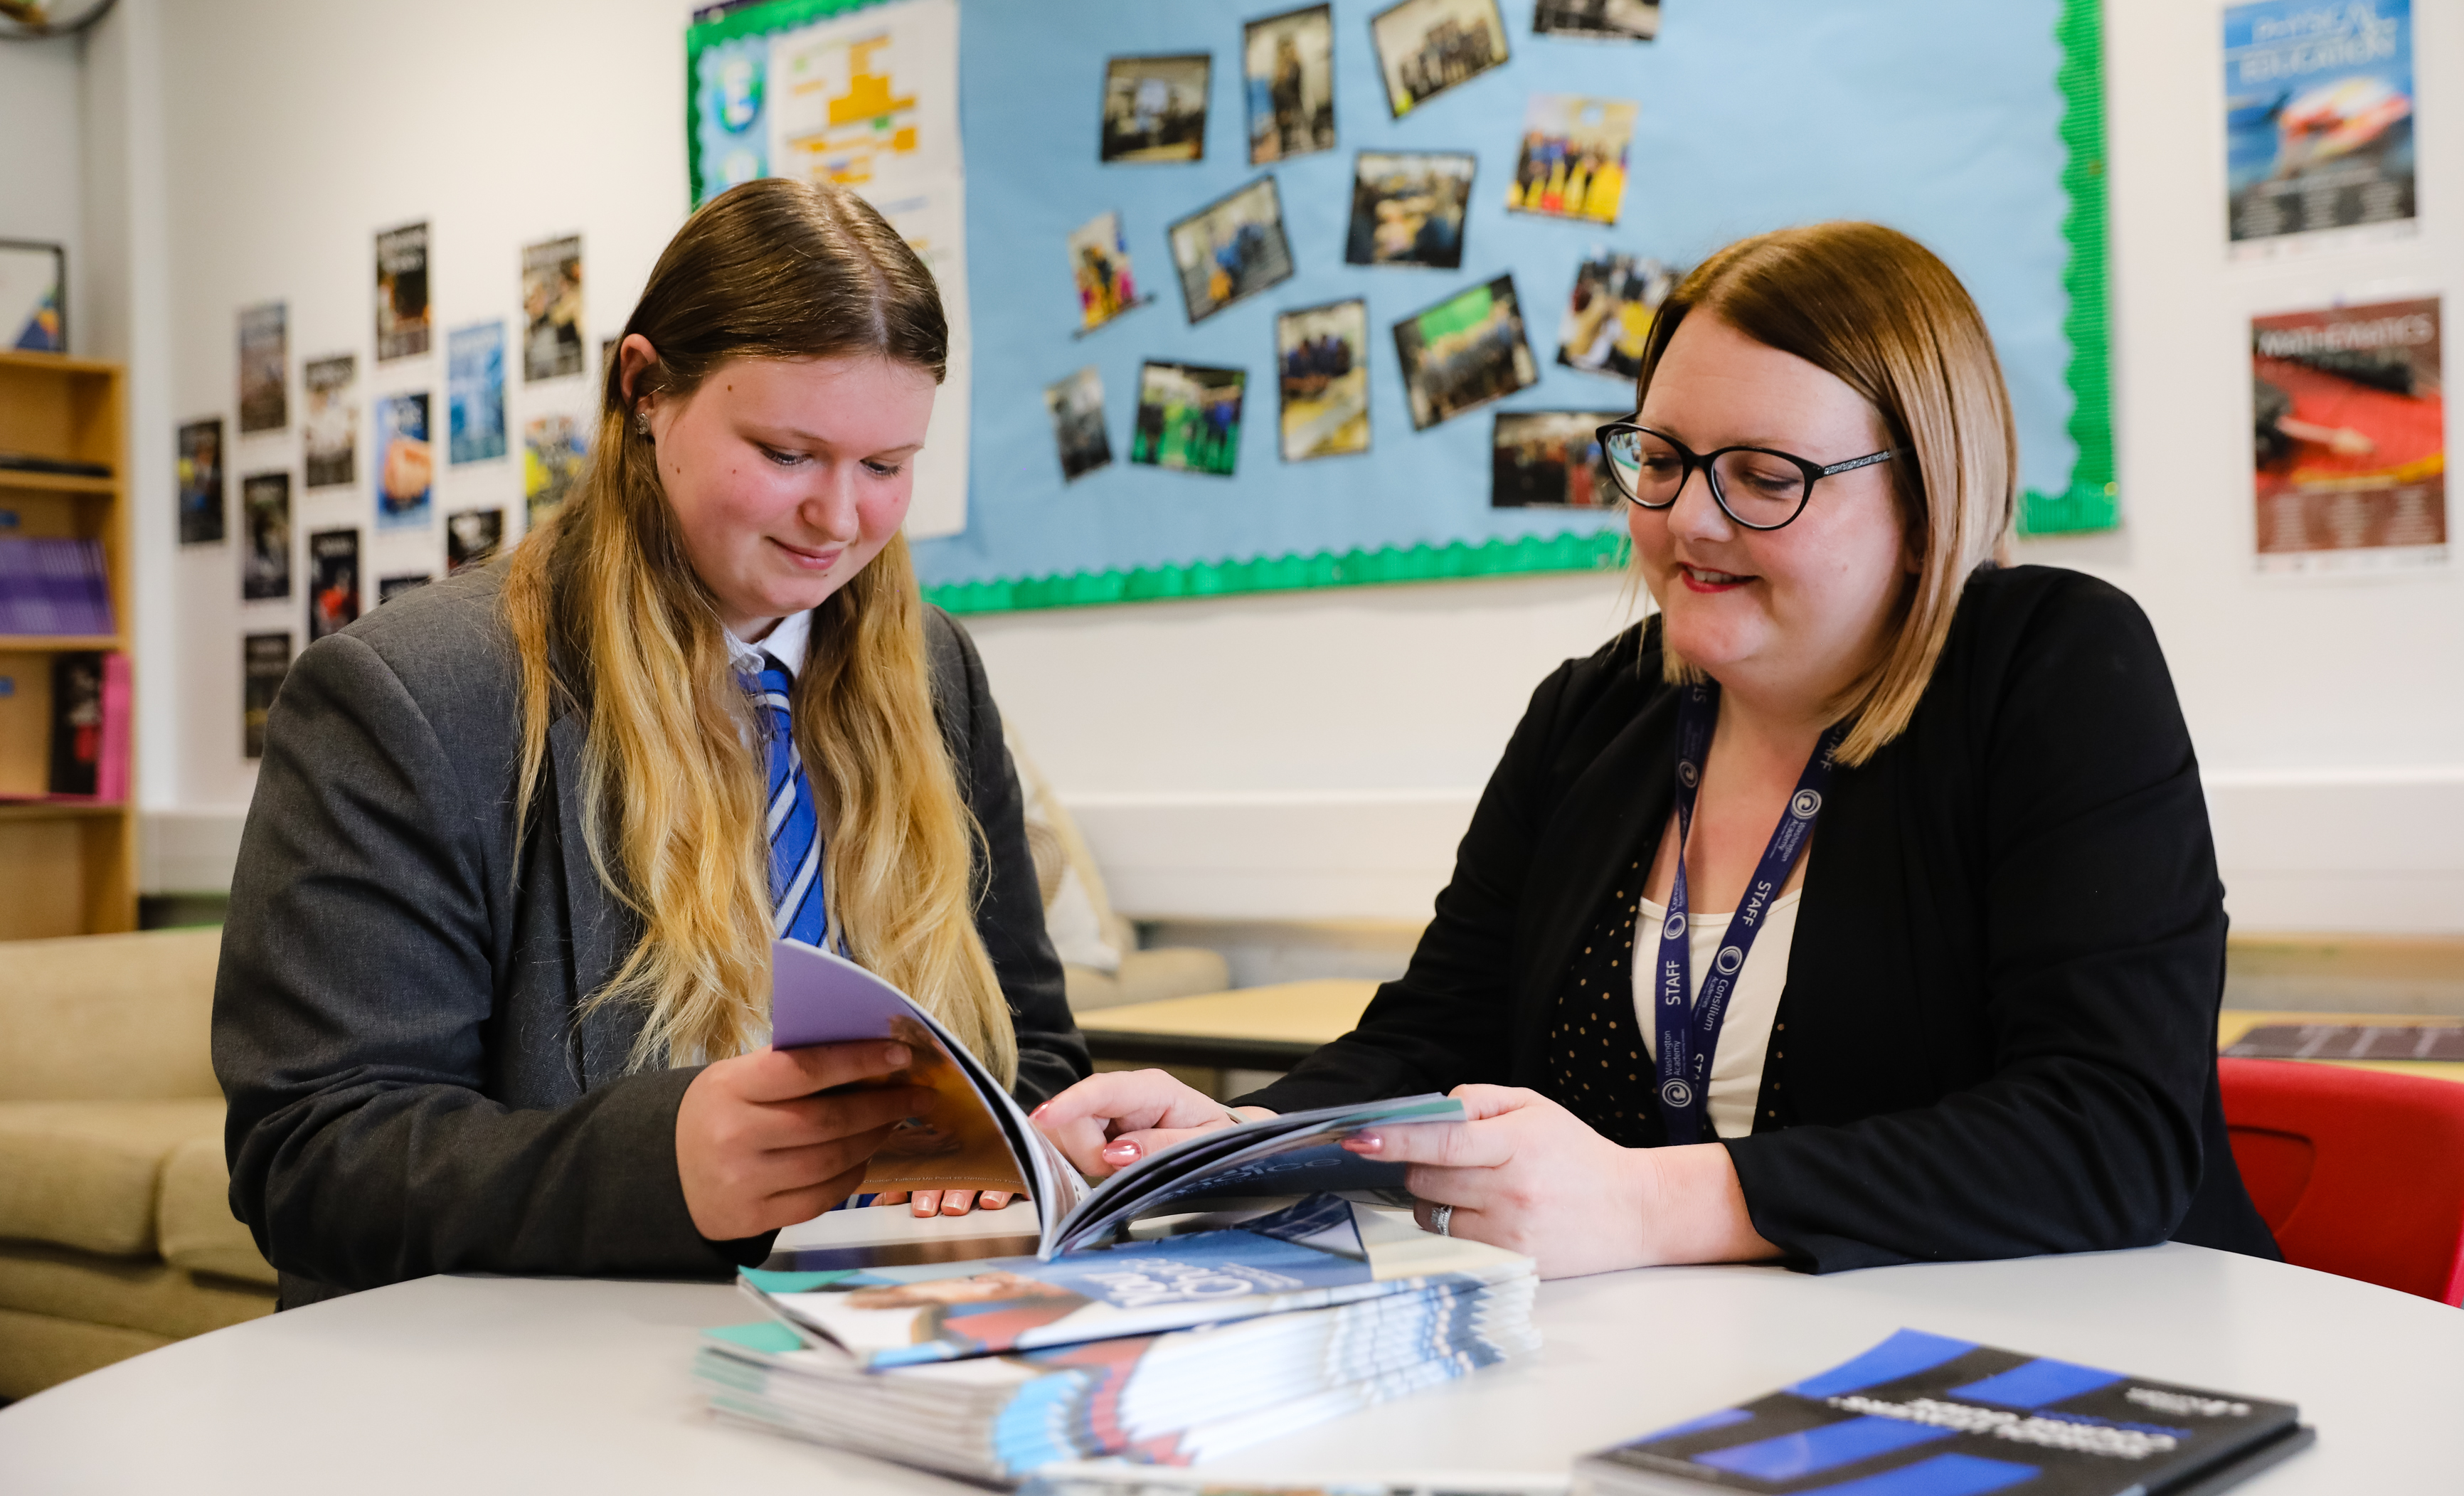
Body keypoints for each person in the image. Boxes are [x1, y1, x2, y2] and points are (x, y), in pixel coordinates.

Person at [1031, 221, 2278, 1279]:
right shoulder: (1597, 711)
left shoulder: (2051, 666)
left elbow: (2111, 1133)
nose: (1688, 518)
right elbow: (1430, 1040)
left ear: (1924, 495)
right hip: (1692, 1375)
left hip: (2063, 1366)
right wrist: (1233, 1137)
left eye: (1761, 476)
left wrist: (1643, 1203)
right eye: (1664, 458)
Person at [216, 179, 1088, 1307]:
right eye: (786, 452)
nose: (839, 517)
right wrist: (663, 1168)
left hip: (889, 1345)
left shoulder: (933, 670)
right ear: (645, 390)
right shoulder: (409, 697)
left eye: (885, 467)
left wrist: (1050, 1139)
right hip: (523, 1395)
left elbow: (1033, 1044)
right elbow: (311, 1155)